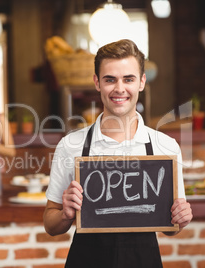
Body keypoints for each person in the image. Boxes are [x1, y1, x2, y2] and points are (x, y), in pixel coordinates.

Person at [43, 39, 193, 267]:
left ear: (142, 82)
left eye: (129, 79)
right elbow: (50, 224)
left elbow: (169, 229)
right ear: (97, 82)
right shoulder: (70, 145)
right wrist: (65, 214)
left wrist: (179, 220)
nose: (119, 88)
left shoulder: (166, 147)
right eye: (110, 79)